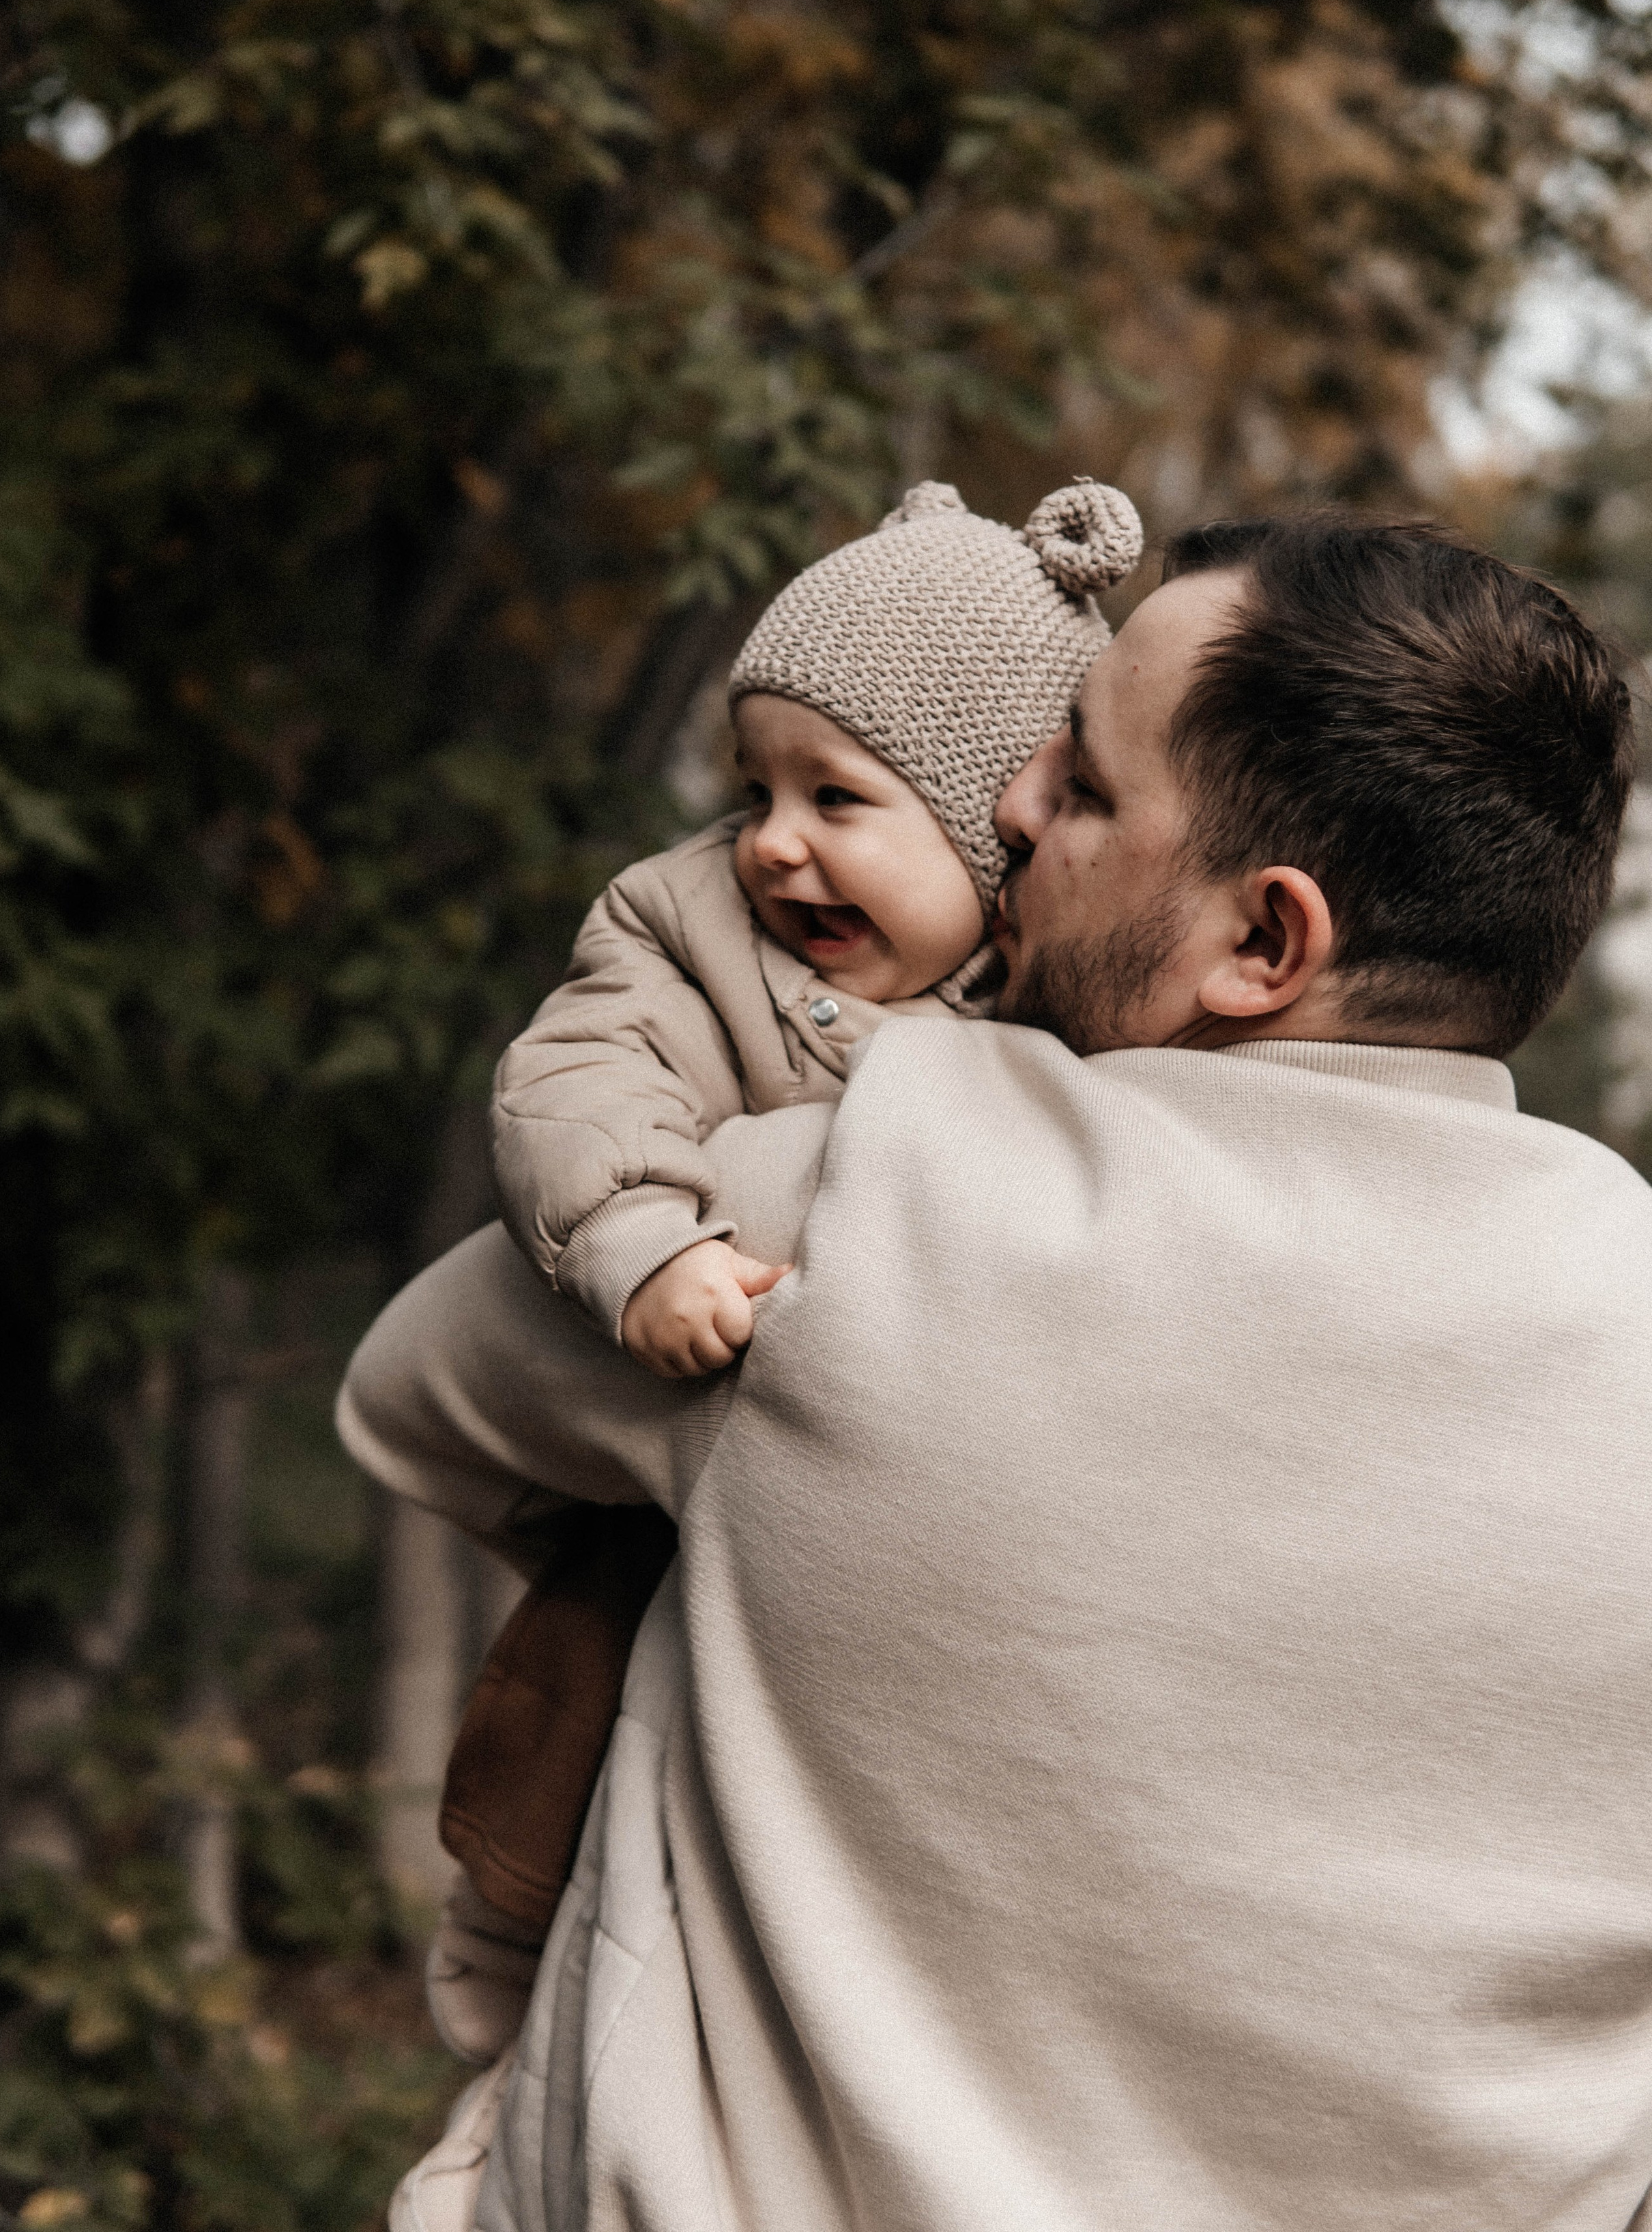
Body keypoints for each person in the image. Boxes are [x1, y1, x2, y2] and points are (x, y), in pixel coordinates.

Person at [343, 512, 1652, 2232]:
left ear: (1264, 944)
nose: (1010, 812)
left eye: (1086, 788)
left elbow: (412, 1390)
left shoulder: (866, 1188)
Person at [351, 476, 1143, 2167]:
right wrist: (641, 1242)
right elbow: (575, 1079)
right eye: (757, 787)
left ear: (996, 827)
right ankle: (502, 1982)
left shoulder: (1066, 992)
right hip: (673, 1418)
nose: (776, 841)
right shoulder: (687, 924)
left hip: (898, 1540)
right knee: (562, 1707)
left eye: (837, 798)